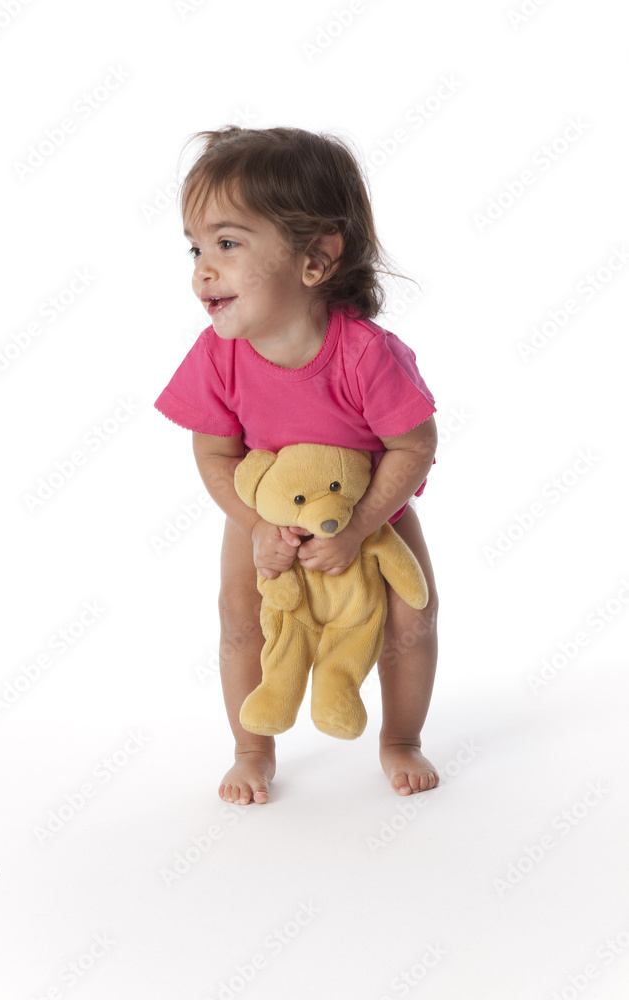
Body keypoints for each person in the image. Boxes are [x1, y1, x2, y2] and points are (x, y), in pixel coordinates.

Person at [155, 125, 440, 806]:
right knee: (237, 616)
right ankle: (251, 748)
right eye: (195, 246)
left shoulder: (365, 354)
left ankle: (401, 738)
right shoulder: (216, 353)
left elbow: (414, 445)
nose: (201, 267)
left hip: (368, 514)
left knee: (413, 618)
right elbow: (213, 449)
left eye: (226, 243)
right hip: (261, 515)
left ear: (313, 260)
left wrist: (360, 526)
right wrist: (253, 525)